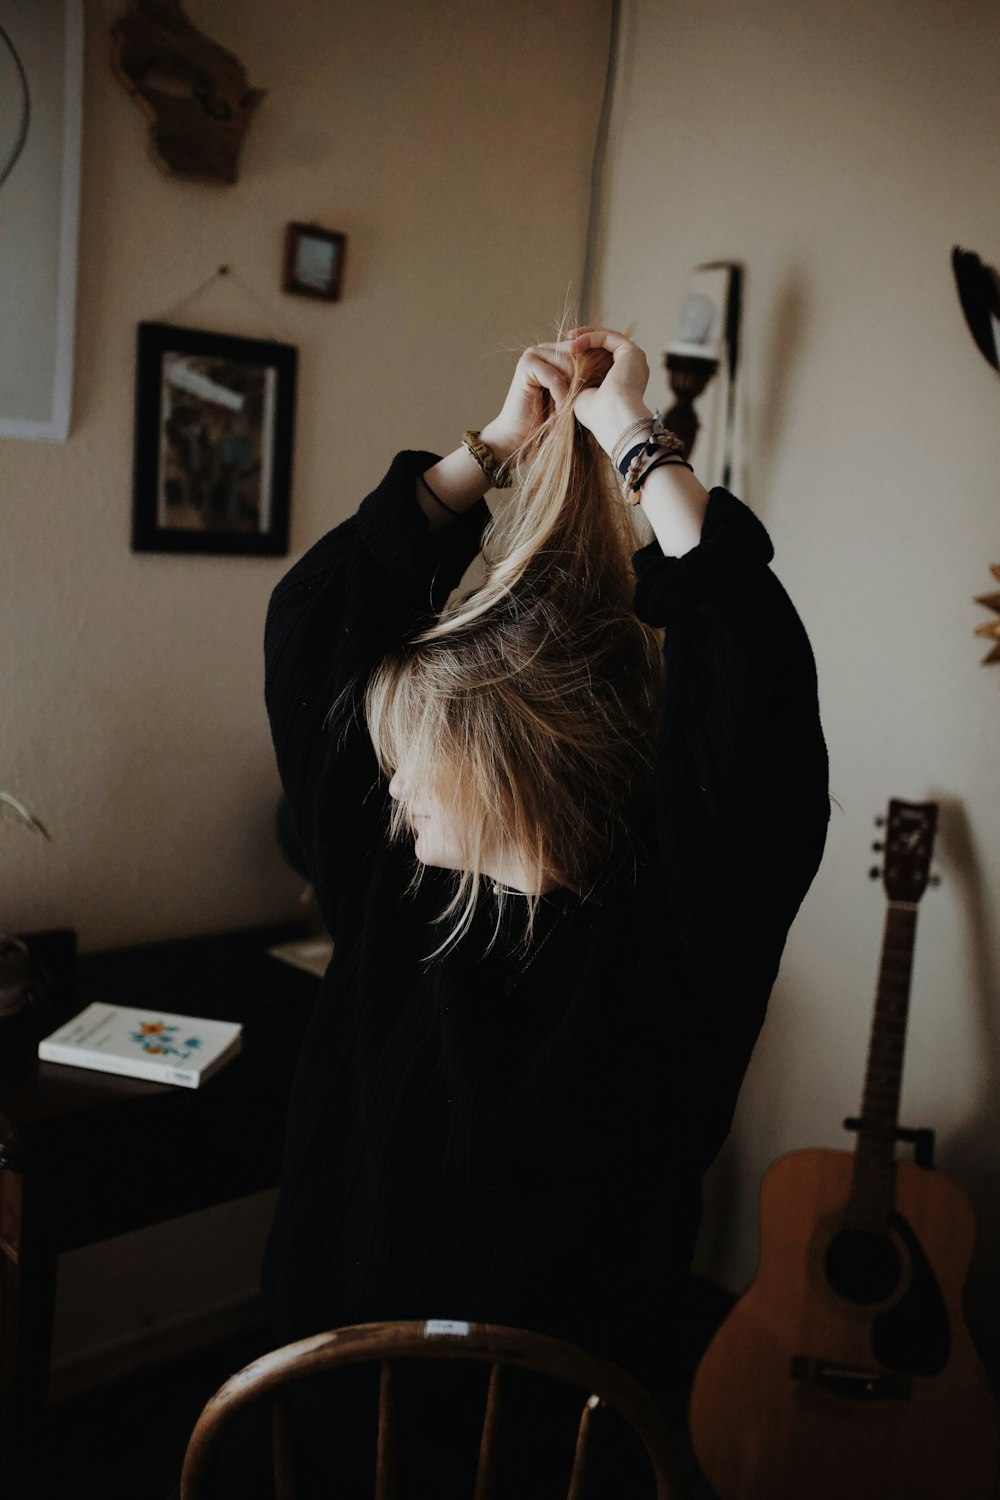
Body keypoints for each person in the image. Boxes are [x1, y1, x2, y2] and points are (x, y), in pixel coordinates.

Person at [175, 327, 828, 1499]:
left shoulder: (676, 942)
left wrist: (630, 434)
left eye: (412, 759)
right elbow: (313, 616)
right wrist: (495, 447)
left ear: (505, 761)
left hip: (555, 1467)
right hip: (318, 1442)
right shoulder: (390, 889)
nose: (390, 787)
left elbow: (750, 663)